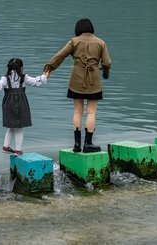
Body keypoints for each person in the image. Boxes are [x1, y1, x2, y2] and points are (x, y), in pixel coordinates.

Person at [44, 18, 111, 153]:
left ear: (78, 29)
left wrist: (49, 68)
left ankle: (76, 144)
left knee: (77, 111)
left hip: (76, 80)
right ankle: (88, 144)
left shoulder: (74, 41)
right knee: (91, 112)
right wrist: (105, 71)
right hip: (94, 81)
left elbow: (60, 55)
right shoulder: (101, 43)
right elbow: (107, 62)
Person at [0, 58, 49, 156]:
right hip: (21, 103)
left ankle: (5, 147)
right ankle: (18, 150)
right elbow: (35, 81)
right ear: (21, 67)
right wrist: (45, 75)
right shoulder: (24, 77)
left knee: (11, 126)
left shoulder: (5, 78)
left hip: (8, 104)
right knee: (19, 128)